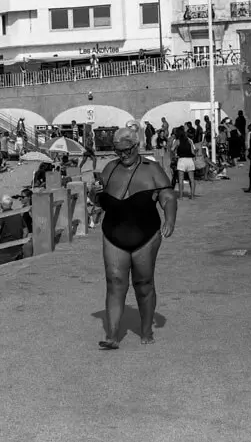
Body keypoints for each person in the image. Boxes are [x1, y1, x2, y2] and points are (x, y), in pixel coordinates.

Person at [97, 123, 177, 349]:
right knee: (115, 283)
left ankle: (146, 330)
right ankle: (112, 336)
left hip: (146, 235)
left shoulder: (151, 169)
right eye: (119, 151)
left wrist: (170, 219)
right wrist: (95, 198)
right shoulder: (109, 169)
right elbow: (100, 196)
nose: (124, 155)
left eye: (128, 150)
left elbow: (168, 195)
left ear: (137, 146)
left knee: (143, 283)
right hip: (113, 234)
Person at [171, 127, 197, 199]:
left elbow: (172, 149)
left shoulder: (177, 141)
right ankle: (192, 196)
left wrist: (175, 154)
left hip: (181, 160)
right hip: (190, 160)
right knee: (192, 179)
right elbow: (193, 151)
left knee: (180, 179)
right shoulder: (189, 140)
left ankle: (181, 196)